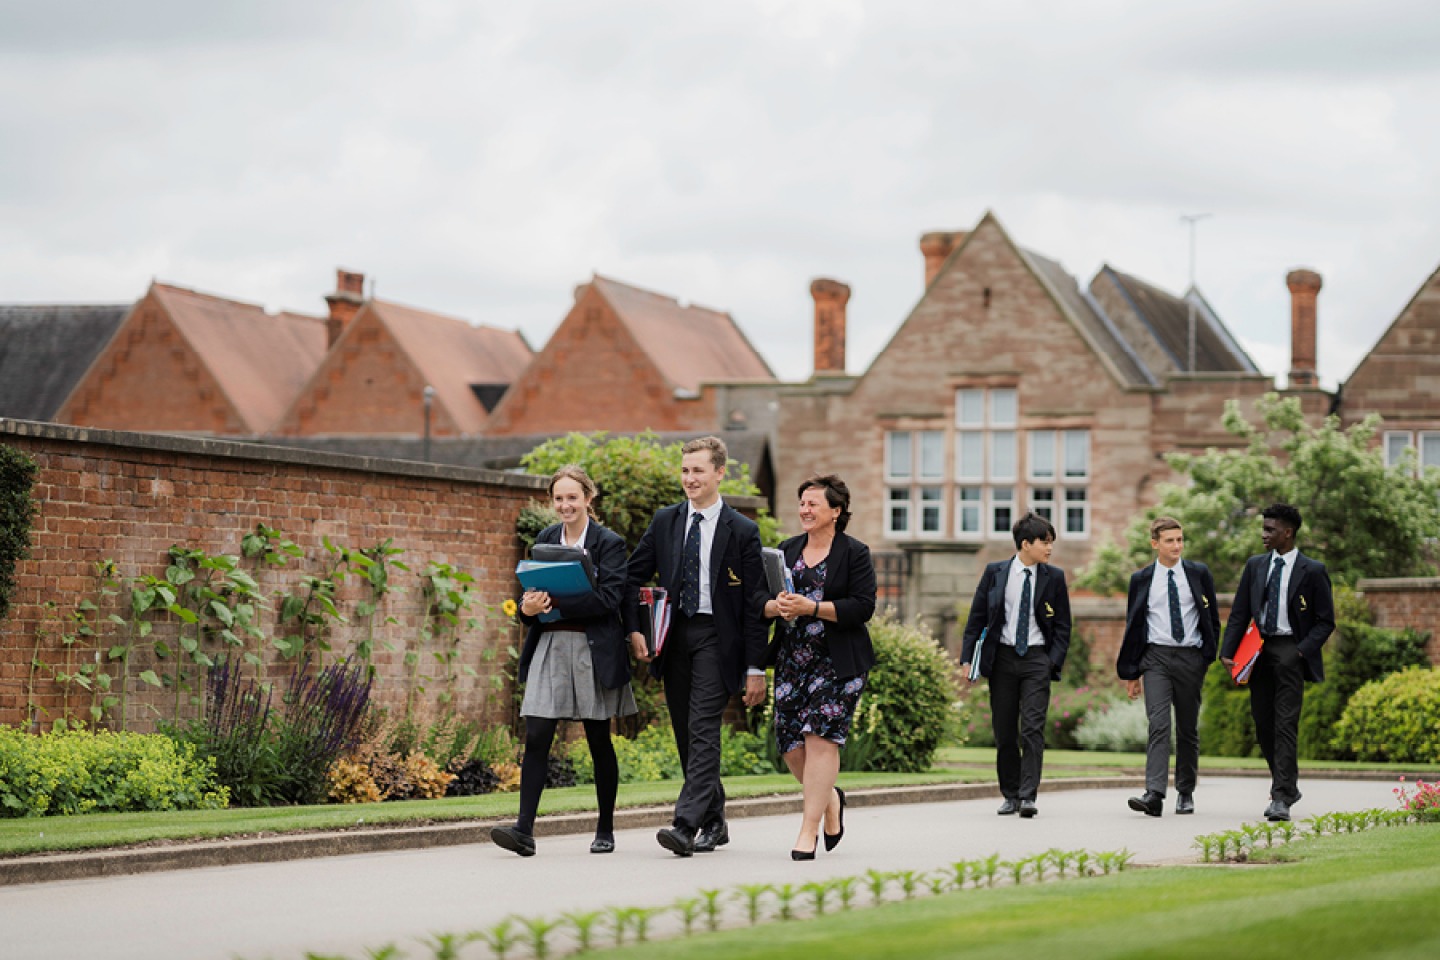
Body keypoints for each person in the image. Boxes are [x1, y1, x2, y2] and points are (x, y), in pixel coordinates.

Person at [627, 436, 769, 857]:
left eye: (698, 471)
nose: (690, 478)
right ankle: (716, 820)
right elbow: (631, 576)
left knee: (704, 728)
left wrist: (755, 667)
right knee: (687, 735)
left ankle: (685, 825)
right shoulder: (666, 521)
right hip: (674, 636)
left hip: (716, 638)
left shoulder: (742, 530)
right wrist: (635, 629)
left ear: (719, 473)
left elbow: (754, 605)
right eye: (685, 470)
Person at [491, 465, 637, 857]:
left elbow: (608, 599)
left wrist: (554, 601)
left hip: (591, 649)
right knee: (537, 735)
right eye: (559, 498)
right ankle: (523, 830)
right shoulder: (545, 538)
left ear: (589, 498)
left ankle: (605, 828)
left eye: (573, 497)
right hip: (550, 646)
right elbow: (531, 599)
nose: (565, 505)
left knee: (597, 739)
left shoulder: (610, 543)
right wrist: (529, 606)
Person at [764, 475, 876, 860]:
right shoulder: (786, 549)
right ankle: (830, 800)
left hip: (839, 662)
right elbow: (762, 601)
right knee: (791, 744)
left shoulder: (854, 552)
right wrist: (775, 606)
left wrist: (811, 608)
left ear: (836, 511)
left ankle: (807, 831)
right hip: (792, 659)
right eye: (802, 504)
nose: (805, 511)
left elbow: (863, 607)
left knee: (821, 738)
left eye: (813, 504)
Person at [1220, 502, 1335, 822]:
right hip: (1257, 652)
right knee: (1263, 724)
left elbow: (1326, 621)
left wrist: (1300, 652)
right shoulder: (1255, 566)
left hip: (1291, 651)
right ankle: (1286, 784)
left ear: (1288, 532)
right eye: (1263, 528)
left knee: (1285, 724)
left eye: (1270, 530)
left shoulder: (1312, 571)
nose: (1263, 535)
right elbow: (1240, 612)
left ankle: (1281, 795)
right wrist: (1227, 653)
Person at [960, 511, 1072, 818]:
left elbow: (1063, 626)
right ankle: (1010, 794)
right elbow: (977, 618)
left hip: (1037, 659)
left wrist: (1052, 662)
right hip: (1002, 660)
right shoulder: (995, 572)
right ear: (1025, 544)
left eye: (1052, 542)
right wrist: (967, 659)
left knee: (1033, 728)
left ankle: (1028, 795)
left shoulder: (1055, 578)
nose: (1050, 548)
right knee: (1005, 730)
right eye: (1044, 542)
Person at [1115, 516, 1220, 817]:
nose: (1177, 545)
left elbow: (1211, 619)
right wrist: (1132, 672)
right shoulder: (1141, 580)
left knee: (1187, 728)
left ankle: (1185, 792)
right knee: (1159, 724)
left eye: (1179, 539)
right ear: (1155, 544)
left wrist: (1205, 658)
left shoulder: (1199, 574)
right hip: (1156, 658)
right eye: (1170, 540)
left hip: (1190, 657)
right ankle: (1154, 794)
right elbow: (1134, 626)